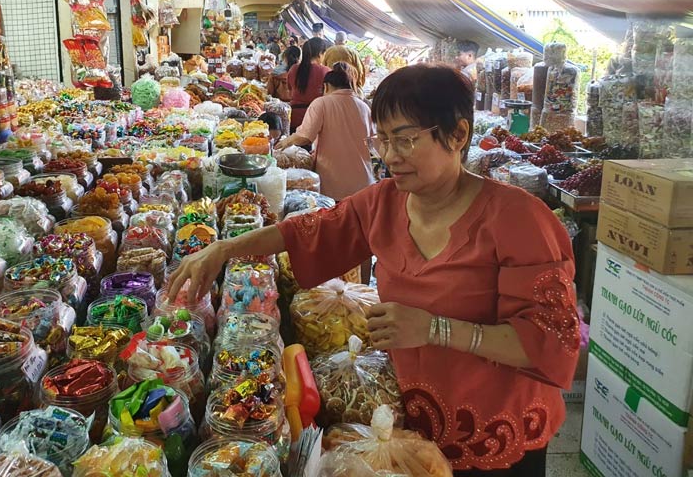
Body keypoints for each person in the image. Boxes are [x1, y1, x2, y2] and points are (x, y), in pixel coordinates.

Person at [168, 64, 580, 476]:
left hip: (493, 431)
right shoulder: (385, 202)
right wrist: (223, 249)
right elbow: (306, 232)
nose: (389, 155)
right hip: (406, 428)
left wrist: (434, 328)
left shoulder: (519, 219)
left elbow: (548, 340)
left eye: (405, 140)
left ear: (458, 134)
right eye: (382, 139)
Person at [276, 62, 374, 201]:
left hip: (333, 184)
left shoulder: (321, 103)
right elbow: (372, 145)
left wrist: (283, 143)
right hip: (364, 184)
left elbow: (304, 137)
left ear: (326, 86)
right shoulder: (364, 107)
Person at [287, 37, 330, 132]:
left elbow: (290, 90)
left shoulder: (294, 69)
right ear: (320, 54)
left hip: (294, 119)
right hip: (316, 119)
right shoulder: (325, 71)